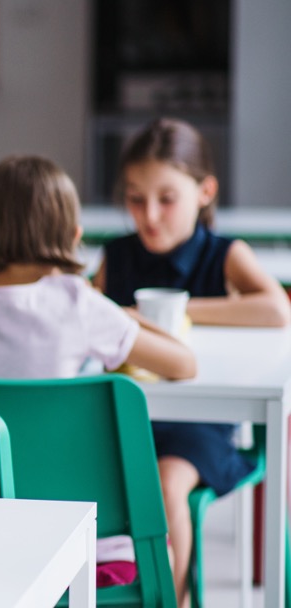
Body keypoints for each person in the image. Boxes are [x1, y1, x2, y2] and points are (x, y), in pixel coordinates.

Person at [94, 117, 291, 606]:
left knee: (163, 485)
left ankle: (170, 598)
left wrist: (172, 310)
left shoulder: (223, 254)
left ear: (204, 192)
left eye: (166, 198)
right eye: (136, 199)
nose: (150, 215)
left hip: (199, 423)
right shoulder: (116, 257)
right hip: (125, 418)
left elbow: (276, 308)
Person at [0, 155, 196, 381]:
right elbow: (184, 364)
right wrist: (124, 313)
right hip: (47, 434)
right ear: (74, 236)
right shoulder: (78, 302)